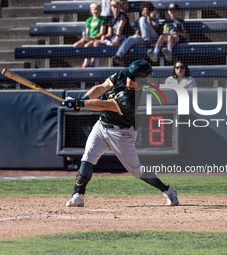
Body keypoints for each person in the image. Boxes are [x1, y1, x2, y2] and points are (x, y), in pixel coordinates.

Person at [62, 60, 179, 207]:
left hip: (121, 134)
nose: (129, 79)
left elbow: (105, 104)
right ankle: (77, 196)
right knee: (87, 158)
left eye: (134, 78)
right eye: (130, 76)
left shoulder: (132, 98)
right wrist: (84, 100)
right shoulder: (124, 75)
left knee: (137, 171)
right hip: (101, 125)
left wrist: (79, 104)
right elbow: (101, 88)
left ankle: (168, 191)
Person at [112, 1, 158, 66]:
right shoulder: (138, 20)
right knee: (131, 38)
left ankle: (146, 39)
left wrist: (147, 17)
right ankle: (118, 55)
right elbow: (136, 33)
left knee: (142, 19)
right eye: (143, 10)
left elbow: (154, 28)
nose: (144, 12)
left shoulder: (154, 19)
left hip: (153, 37)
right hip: (142, 39)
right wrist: (138, 33)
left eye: (146, 10)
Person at [73, 2, 107, 68]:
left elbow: (101, 33)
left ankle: (88, 63)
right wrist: (85, 38)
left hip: (96, 38)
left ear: (100, 10)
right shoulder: (89, 20)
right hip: (90, 38)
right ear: (91, 10)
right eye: (94, 9)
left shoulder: (102, 19)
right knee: (76, 45)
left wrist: (93, 38)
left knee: (87, 45)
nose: (96, 11)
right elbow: (87, 32)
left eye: (97, 9)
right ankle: (86, 59)